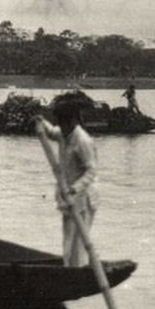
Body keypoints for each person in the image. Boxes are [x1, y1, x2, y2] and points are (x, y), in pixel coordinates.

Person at [35, 97, 100, 268]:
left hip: (83, 198)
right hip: (68, 197)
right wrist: (42, 123)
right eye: (59, 124)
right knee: (68, 241)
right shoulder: (64, 134)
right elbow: (52, 132)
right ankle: (69, 269)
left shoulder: (83, 140)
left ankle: (78, 271)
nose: (61, 127)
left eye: (63, 123)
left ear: (72, 121)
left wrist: (75, 188)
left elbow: (91, 170)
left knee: (79, 243)